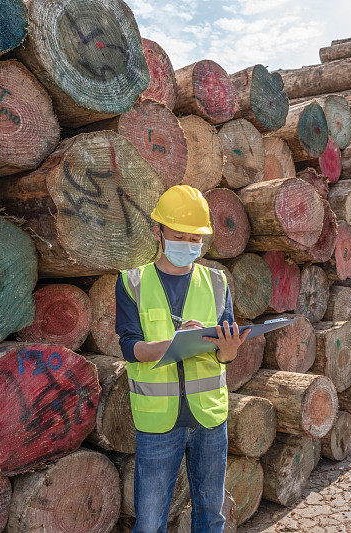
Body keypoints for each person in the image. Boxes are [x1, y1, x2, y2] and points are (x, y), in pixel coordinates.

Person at [115, 185, 249, 532]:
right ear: (157, 231)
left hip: (209, 419)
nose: (188, 246)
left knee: (211, 516)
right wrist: (172, 343)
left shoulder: (217, 282)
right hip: (158, 423)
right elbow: (130, 348)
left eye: (196, 239)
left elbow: (224, 351)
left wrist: (229, 352)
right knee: (149, 522)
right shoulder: (133, 282)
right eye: (180, 236)